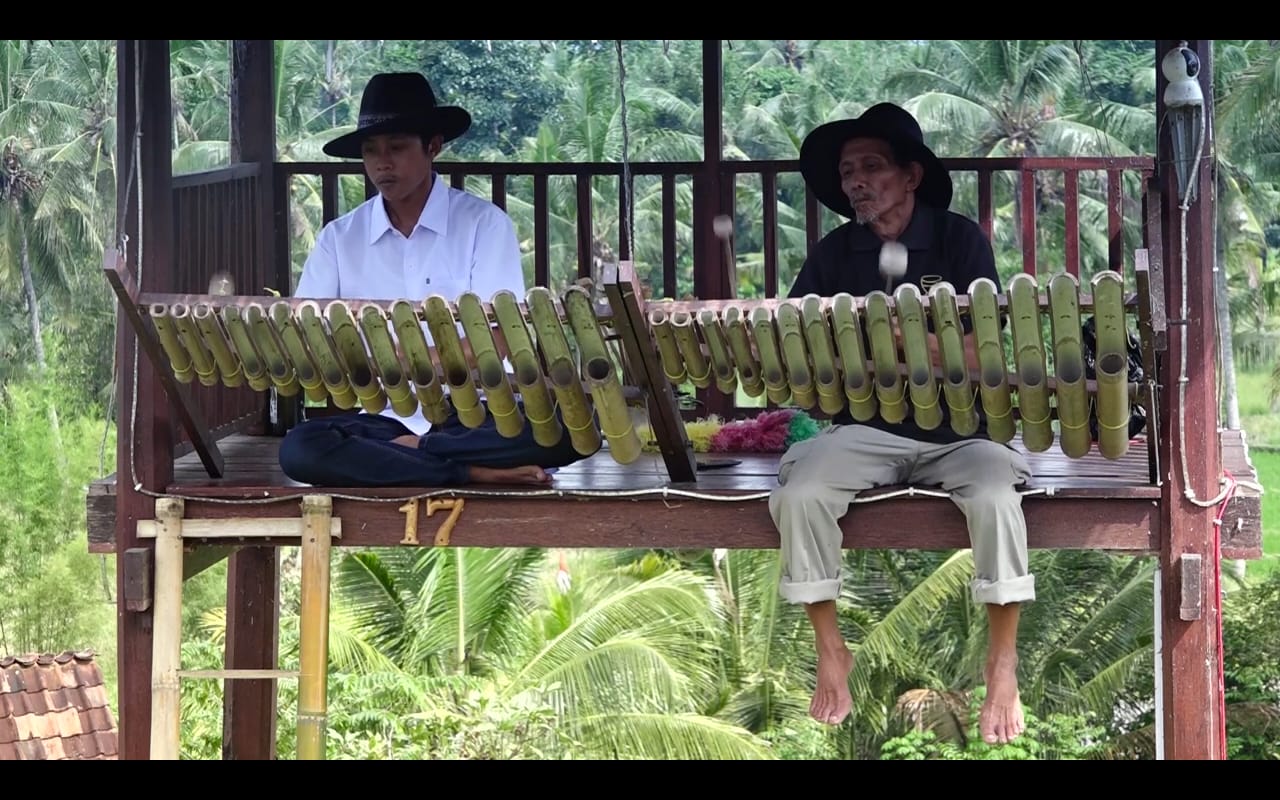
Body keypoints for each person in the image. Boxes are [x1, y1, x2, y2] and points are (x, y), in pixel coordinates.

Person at [771, 102, 1033, 745]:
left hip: (963, 433)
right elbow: (795, 339)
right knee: (802, 492)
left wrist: (906, 341)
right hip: (865, 430)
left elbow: (984, 352)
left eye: (872, 167)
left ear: (911, 176)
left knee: (998, 498)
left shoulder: (958, 240)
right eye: (847, 171)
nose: (856, 181)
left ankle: (1002, 661)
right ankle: (831, 648)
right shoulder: (835, 252)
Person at [278, 72, 594, 488]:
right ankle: (469, 472)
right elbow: (310, 336)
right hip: (387, 416)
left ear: (433, 146)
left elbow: (500, 336)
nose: (382, 163)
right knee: (300, 448)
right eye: (371, 151)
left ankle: (417, 452)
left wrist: (407, 361)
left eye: (396, 147)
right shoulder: (339, 238)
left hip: (483, 411)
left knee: (575, 428)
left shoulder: (484, 225)